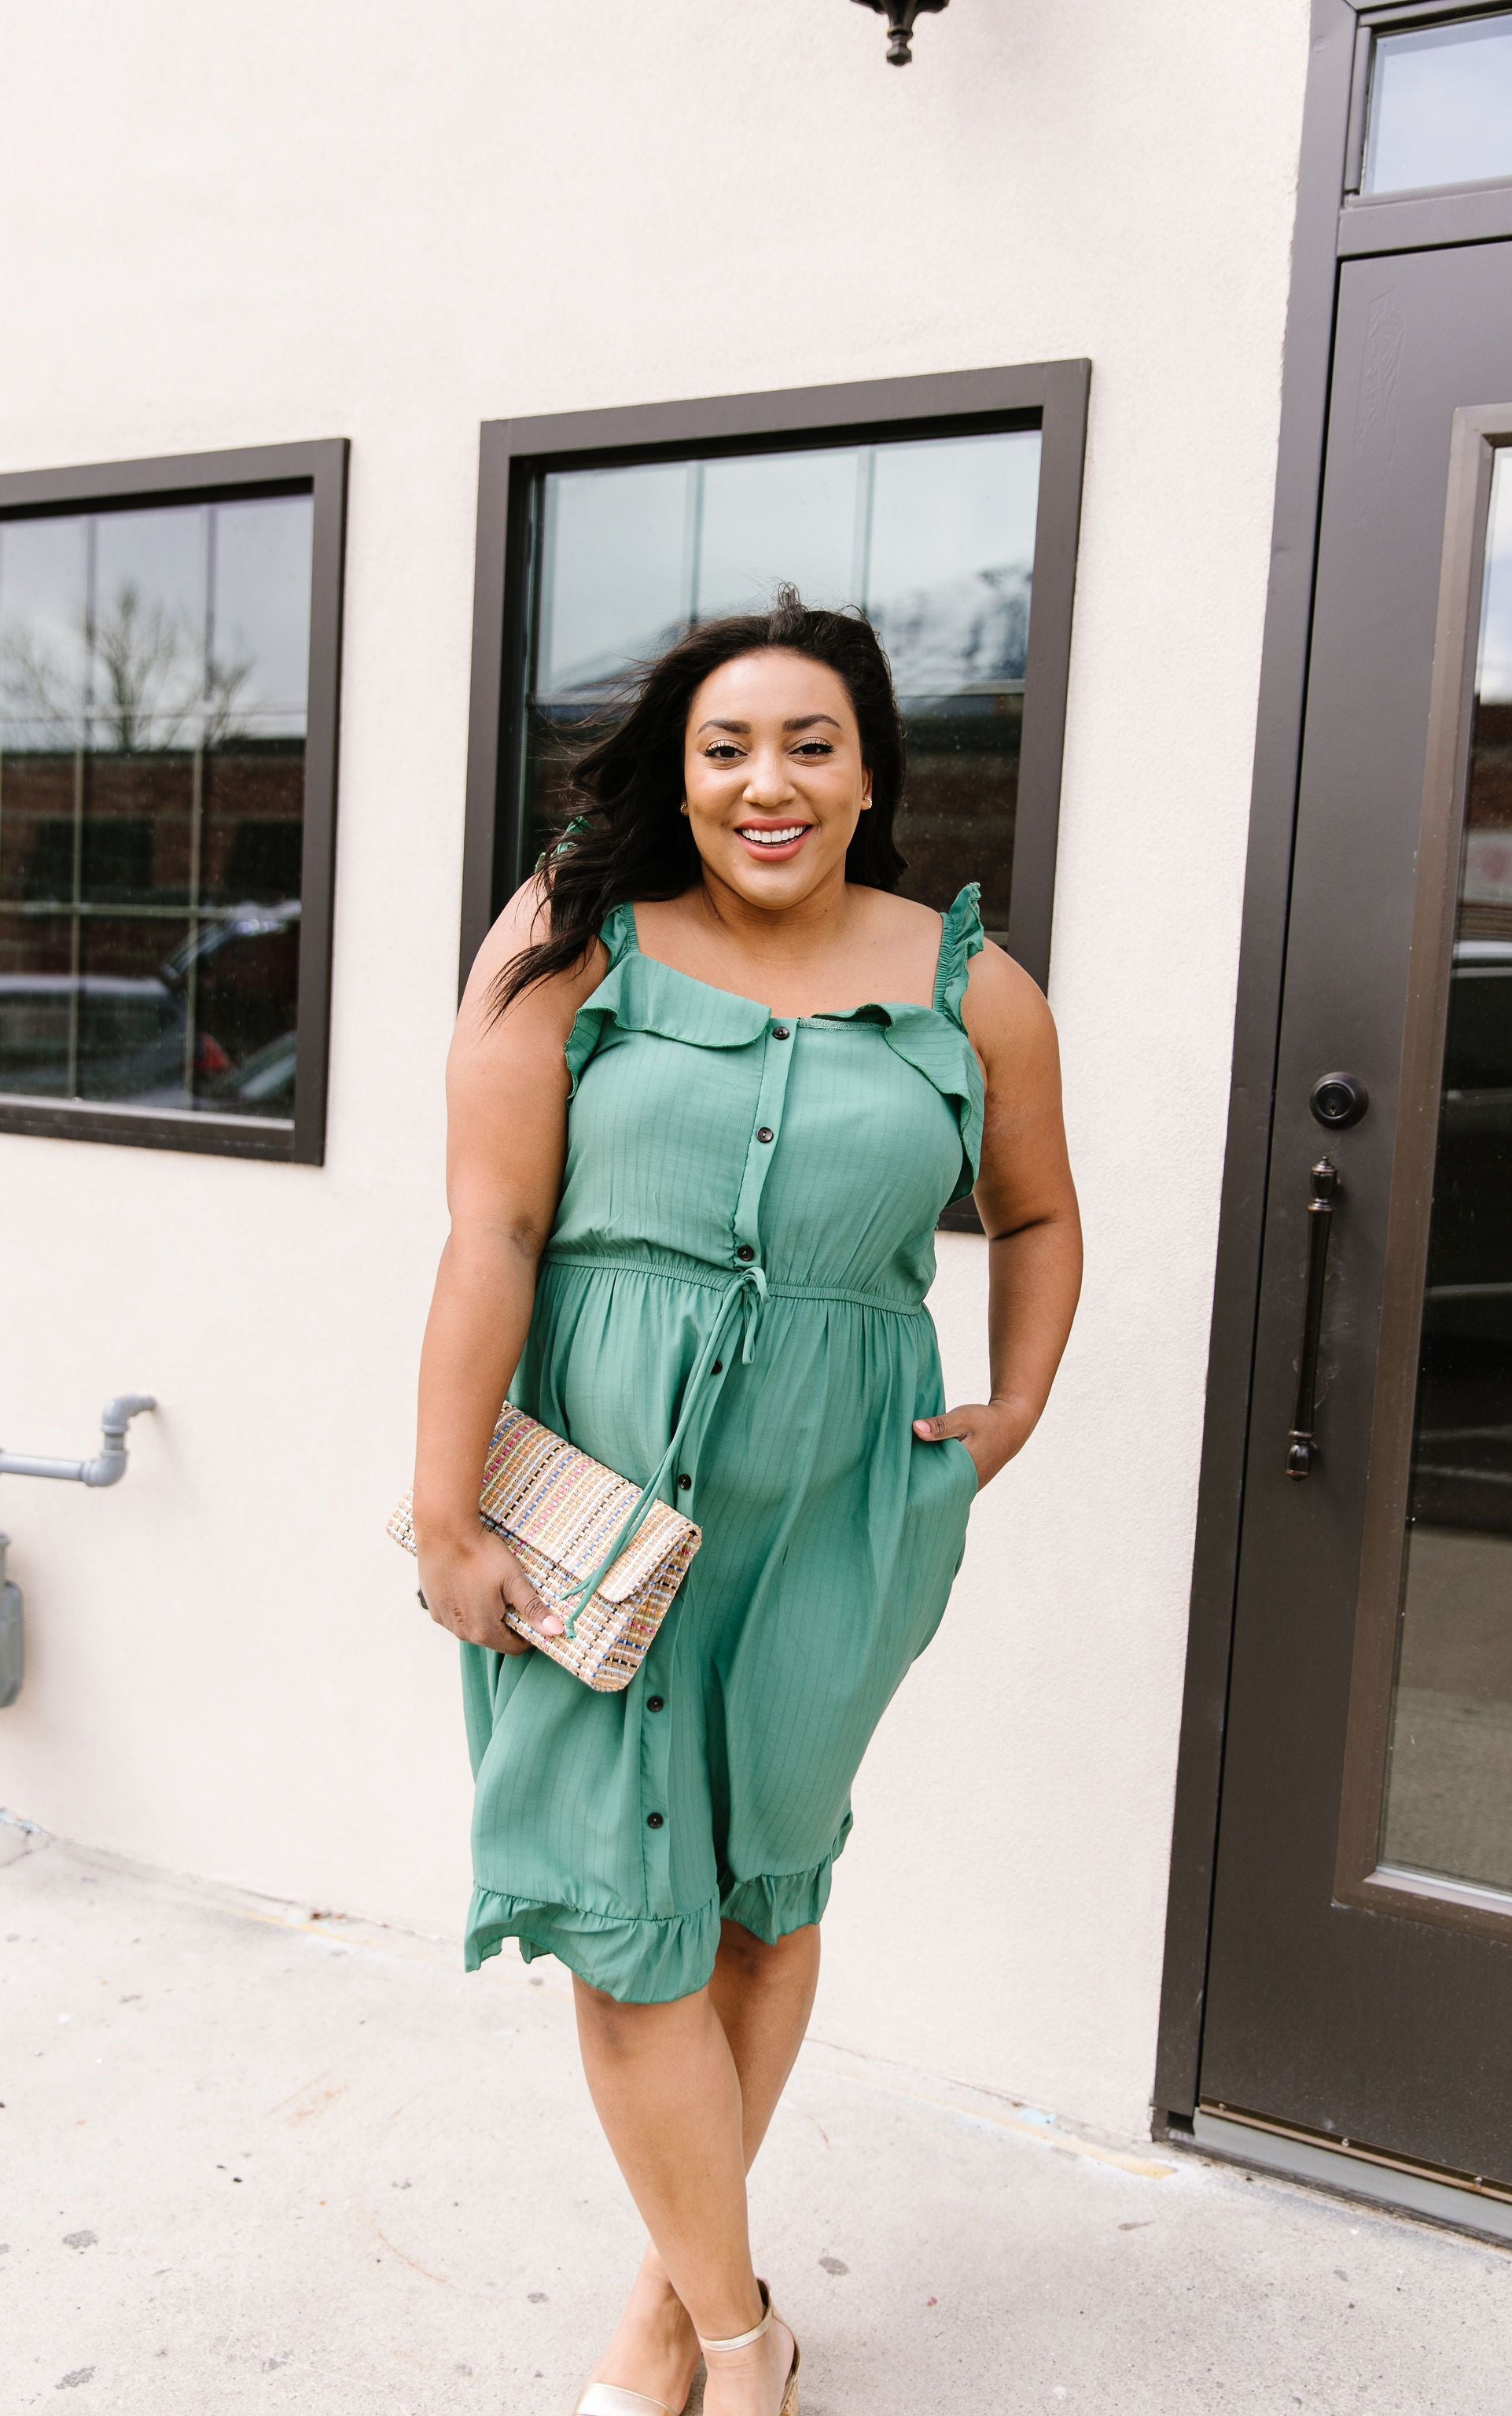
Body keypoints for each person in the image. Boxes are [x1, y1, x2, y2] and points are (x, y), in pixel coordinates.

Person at [410, 588, 1081, 2416]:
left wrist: (1015, 1404)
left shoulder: (971, 986)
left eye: (807, 745)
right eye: (725, 748)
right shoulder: (571, 937)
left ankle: (669, 2292)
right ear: (684, 773)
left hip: (841, 1513)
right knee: (622, 1923)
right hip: (595, 1499)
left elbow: (1035, 1211)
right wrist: (445, 1507)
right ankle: (733, 2340)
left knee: (761, 1907)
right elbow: (493, 1228)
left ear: (869, 776)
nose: (763, 782)